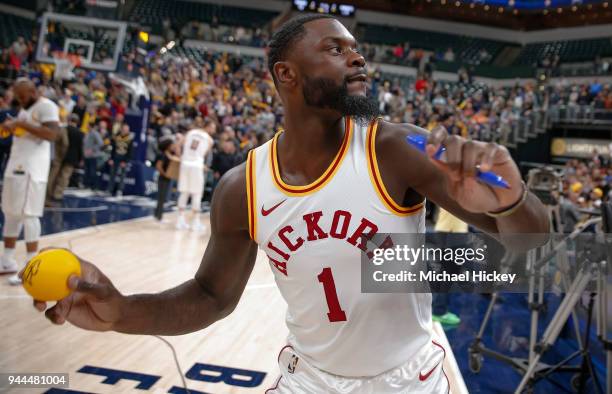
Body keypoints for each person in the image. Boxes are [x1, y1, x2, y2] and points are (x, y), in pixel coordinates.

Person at [29, 16, 549, 393]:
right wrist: (122, 312)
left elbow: (533, 255)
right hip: (308, 381)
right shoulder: (244, 186)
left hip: (410, 380)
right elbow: (211, 296)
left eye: (356, 48)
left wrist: (511, 203)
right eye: (335, 48)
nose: (357, 56)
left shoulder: (398, 147)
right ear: (286, 75)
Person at [0, 78, 59, 285]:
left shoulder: (47, 106)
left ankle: (31, 267)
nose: (19, 99)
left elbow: (52, 134)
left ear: (33, 91)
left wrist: (19, 123)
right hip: (15, 165)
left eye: (23, 96)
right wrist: (12, 127)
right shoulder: (24, 110)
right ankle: (7, 261)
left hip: (32, 171)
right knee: (10, 213)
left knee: (29, 215)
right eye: (17, 96)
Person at [176, 119, 215, 231]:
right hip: (197, 165)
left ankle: (180, 220)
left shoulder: (190, 133)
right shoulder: (209, 139)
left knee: (184, 192)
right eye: (212, 127)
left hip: (185, 164)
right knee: (197, 193)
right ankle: (195, 222)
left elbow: (178, 145)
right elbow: (204, 154)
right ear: (207, 126)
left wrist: (181, 158)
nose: (214, 130)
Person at [47, 114, 83, 203]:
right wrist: (80, 159)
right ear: (77, 122)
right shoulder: (80, 133)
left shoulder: (63, 130)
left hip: (59, 156)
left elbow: (57, 141)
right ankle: (58, 194)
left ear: (69, 120)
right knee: (64, 177)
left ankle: (48, 193)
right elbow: (80, 148)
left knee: (53, 175)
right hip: (72, 158)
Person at [154, 136, 179, 222]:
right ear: (168, 145)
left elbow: (178, 154)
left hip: (167, 178)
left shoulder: (170, 154)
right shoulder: (162, 155)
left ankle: (157, 214)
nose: (173, 146)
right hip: (163, 178)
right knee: (161, 197)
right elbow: (158, 166)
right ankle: (159, 217)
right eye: (172, 145)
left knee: (163, 197)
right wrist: (165, 174)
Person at [107, 123, 133, 197]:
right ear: (121, 129)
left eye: (126, 130)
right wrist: (111, 158)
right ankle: (110, 189)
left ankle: (120, 190)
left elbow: (130, 151)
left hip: (123, 158)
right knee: (112, 174)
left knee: (122, 176)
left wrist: (125, 161)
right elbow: (112, 149)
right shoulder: (116, 137)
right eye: (124, 129)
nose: (125, 131)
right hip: (115, 157)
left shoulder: (130, 139)